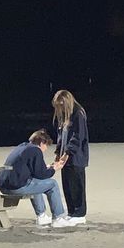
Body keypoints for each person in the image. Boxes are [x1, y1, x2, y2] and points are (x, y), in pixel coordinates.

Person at [0, 129, 75, 228]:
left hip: (4, 186)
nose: (46, 149)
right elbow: (41, 174)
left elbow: (33, 170)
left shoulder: (23, 146)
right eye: (46, 145)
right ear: (42, 142)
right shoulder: (35, 150)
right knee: (53, 184)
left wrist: (47, 167)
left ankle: (41, 216)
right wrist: (54, 169)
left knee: (35, 183)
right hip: (15, 187)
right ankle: (58, 218)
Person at [52, 90, 89, 225]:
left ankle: (80, 214)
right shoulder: (63, 116)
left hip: (76, 157)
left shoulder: (78, 114)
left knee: (77, 185)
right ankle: (71, 212)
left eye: (61, 105)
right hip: (64, 156)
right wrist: (58, 153)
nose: (59, 109)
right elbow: (61, 136)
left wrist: (67, 153)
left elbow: (78, 137)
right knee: (67, 185)